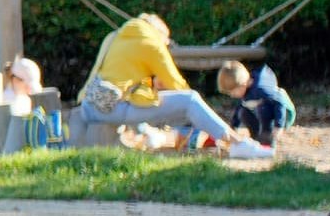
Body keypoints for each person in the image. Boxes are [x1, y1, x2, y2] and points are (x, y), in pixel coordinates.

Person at [81, 13, 273, 160]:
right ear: (160, 34)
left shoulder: (119, 36)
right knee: (190, 100)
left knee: (158, 103)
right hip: (113, 108)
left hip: (92, 105)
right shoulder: (151, 43)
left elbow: (123, 76)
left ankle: (155, 136)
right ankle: (236, 143)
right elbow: (177, 85)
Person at [215, 60, 295, 146]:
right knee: (243, 112)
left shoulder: (260, 89)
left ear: (243, 84)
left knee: (262, 108)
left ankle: (267, 139)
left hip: (284, 113)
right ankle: (256, 138)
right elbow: (239, 109)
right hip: (266, 112)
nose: (231, 96)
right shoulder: (245, 91)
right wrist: (233, 129)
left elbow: (280, 100)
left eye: (232, 92)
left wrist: (279, 126)